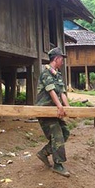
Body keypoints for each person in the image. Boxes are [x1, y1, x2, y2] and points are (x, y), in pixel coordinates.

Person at [36, 47, 71, 177]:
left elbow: (61, 92)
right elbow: (51, 91)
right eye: (62, 59)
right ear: (56, 59)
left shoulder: (58, 74)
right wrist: (60, 107)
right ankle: (58, 164)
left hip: (55, 111)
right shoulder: (45, 73)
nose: (63, 62)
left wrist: (68, 108)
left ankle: (44, 152)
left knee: (65, 132)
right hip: (45, 111)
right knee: (57, 135)